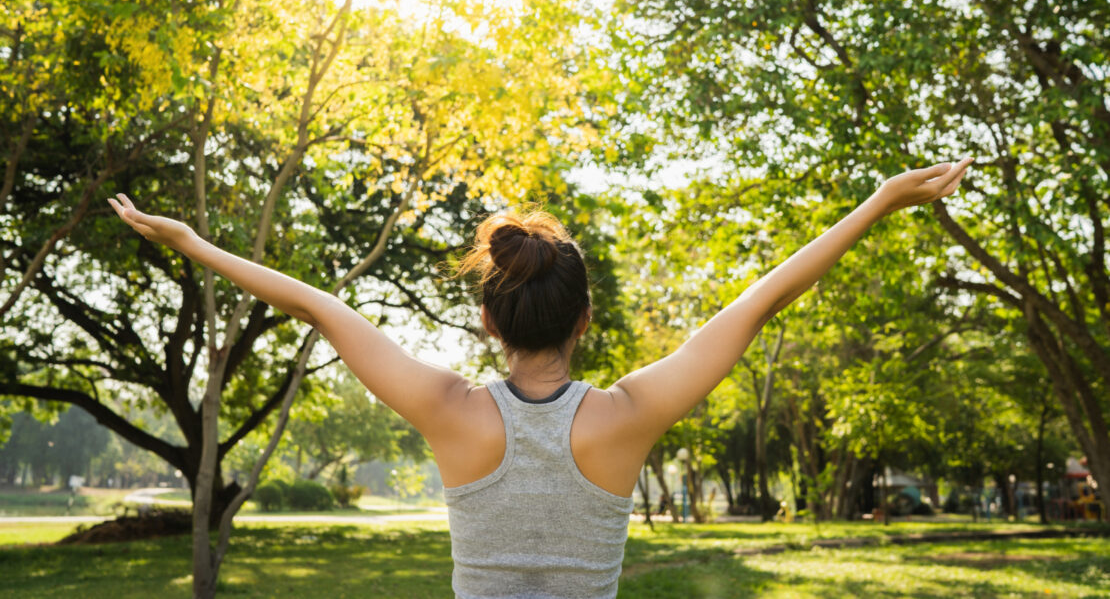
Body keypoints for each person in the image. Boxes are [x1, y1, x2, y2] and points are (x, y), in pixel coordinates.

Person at [108, 156, 971, 598]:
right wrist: (879, 202)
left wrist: (193, 244)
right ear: (585, 322)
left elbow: (323, 309)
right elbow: (759, 303)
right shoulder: (627, 416)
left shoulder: (448, 412)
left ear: (488, 321)